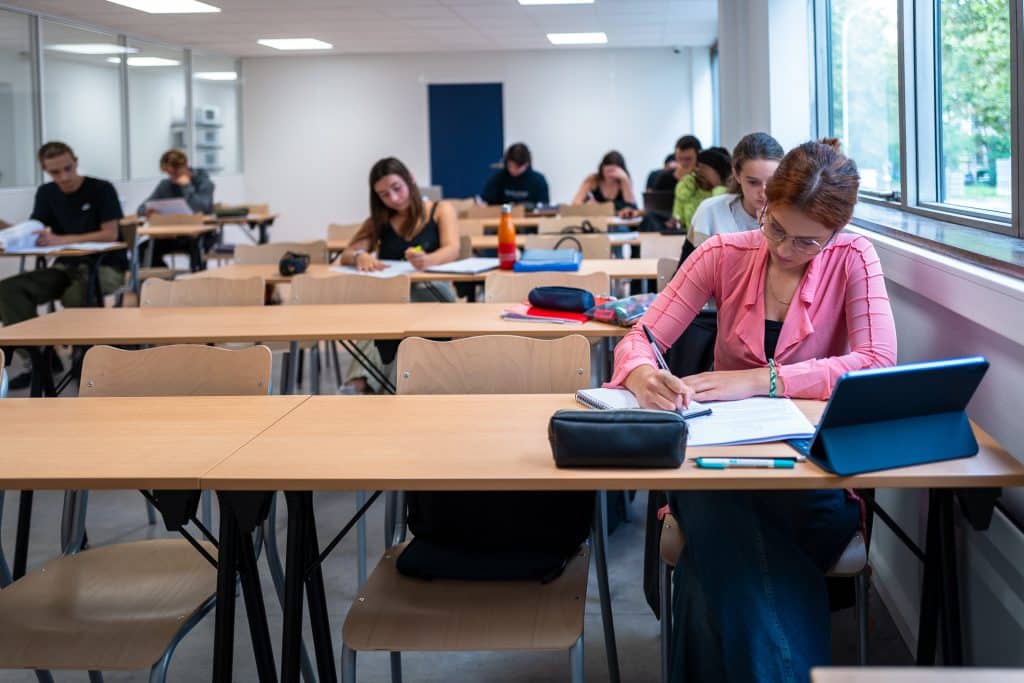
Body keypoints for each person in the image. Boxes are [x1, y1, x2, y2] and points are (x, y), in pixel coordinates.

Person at [608, 139, 897, 682]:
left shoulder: (854, 257)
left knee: (709, 565)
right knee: (729, 525)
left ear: (837, 231)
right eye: (776, 227)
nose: (786, 248)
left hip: (809, 475)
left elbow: (878, 361)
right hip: (717, 471)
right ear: (762, 204)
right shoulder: (723, 253)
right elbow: (642, 334)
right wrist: (643, 372)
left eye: (807, 241)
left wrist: (761, 381)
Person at [0, 141, 126, 389]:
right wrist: (10, 233)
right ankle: (38, 359)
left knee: (76, 295)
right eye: (55, 172)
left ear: (76, 162)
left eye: (68, 168)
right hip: (65, 265)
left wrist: (63, 239)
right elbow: (35, 227)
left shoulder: (101, 189)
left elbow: (110, 234)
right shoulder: (47, 193)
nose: (64, 177)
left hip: (106, 266)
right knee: (8, 291)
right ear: (47, 171)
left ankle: (84, 355)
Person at [338, 157, 459, 393]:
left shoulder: (440, 210)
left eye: (397, 188)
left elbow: (452, 248)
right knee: (382, 321)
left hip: (434, 298)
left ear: (411, 179)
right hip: (394, 300)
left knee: (390, 323)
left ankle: (366, 385)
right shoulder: (380, 220)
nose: (393, 198)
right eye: (384, 194)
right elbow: (347, 254)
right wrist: (360, 256)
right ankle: (364, 386)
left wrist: (427, 260)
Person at [689, 132, 785, 248]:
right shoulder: (710, 211)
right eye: (753, 182)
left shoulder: (793, 216)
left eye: (771, 182)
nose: (763, 193)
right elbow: (689, 265)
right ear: (737, 175)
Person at [136, 149, 216, 268]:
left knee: (196, 247)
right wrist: (149, 211)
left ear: (184, 166)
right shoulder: (166, 185)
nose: (172, 177)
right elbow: (141, 209)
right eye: (169, 174)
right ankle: (162, 280)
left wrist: (186, 187)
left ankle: (196, 279)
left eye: (175, 173)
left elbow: (200, 210)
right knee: (144, 249)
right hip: (172, 235)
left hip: (199, 236)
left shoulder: (204, 183)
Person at [670, 146, 731, 232]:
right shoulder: (687, 185)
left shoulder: (728, 192)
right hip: (692, 238)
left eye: (704, 168)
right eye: (698, 166)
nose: (698, 170)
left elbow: (720, 220)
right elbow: (678, 219)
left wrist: (717, 185)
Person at [479, 143, 550, 207]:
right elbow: (486, 202)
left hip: (529, 219)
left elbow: (543, 207)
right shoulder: (497, 179)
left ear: (526, 164)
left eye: (517, 168)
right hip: (502, 218)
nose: (512, 170)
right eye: (510, 166)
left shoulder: (538, 181)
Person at [570, 150, 638, 215]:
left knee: (621, 227)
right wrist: (586, 206)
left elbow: (631, 205)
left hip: (619, 219)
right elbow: (575, 203)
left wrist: (625, 179)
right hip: (599, 217)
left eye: (613, 171)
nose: (610, 175)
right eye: (608, 171)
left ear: (621, 171)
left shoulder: (624, 181)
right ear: (602, 168)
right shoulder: (593, 180)